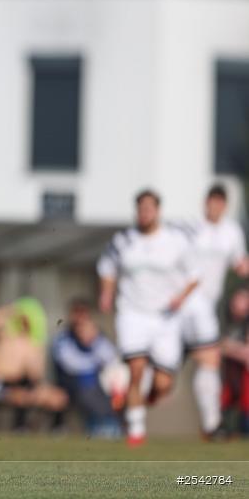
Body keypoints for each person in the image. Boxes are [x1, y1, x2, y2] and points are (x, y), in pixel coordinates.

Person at [97, 190, 199, 446]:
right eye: (141, 209)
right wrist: (107, 294)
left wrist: (181, 297)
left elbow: (194, 275)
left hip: (166, 318)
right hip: (132, 313)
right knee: (136, 369)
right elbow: (107, 268)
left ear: (158, 211)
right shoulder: (123, 240)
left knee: (164, 383)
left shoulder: (176, 240)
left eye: (149, 209)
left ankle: (146, 399)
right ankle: (136, 431)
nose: (145, 214)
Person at [175, 184, 249, 440]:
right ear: (205, 203)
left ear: (225, 205)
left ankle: (212, 425)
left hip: (205, 307)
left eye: (219, 202)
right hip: (181, 303)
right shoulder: (190, 228)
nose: (214, 207)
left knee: (209, 361)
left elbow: (241, 265)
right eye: (211, 201)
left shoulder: (231, 232)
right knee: (163, 369)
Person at [0, 297, 67, 432]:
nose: (25, 321)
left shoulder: (35, 343)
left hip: (25, 384)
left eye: (28, 318)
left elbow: (36, 375)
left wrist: (33, 381)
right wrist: (14, 309)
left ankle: (57, 430)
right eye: (23, 318)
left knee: (58, 398)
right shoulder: (5, 335)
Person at [51, 299, 120, 437]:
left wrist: (93, 342)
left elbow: (112, 358)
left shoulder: (97, 337)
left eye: (83, 314)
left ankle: (111, 427)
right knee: (86, 392)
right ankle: (100, 426)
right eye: (76, 313)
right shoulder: (63, 338)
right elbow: (72, 365)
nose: (80, 319)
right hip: (71, 388)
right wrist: (93, 355)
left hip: (98, 388)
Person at [221, 288, 249, 436]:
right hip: (228, 370)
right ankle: (221, 425)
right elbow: (219, 346)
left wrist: (230, 348)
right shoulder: (224, 320)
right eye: (238, 299)